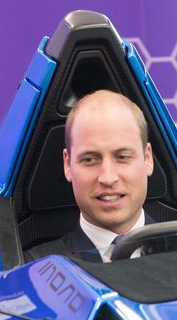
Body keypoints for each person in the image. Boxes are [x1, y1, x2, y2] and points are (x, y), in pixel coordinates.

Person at [28, 89, 154, 261]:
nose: (108, 178)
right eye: (89, 160)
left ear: (147, 159)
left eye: (122, 157)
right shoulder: (34, 270)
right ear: (67, 164)